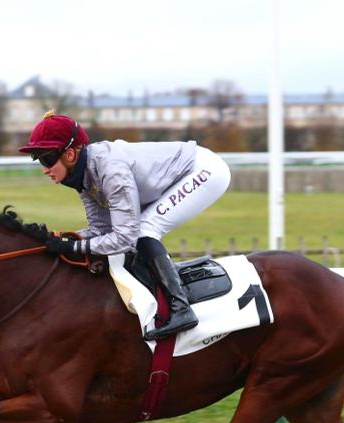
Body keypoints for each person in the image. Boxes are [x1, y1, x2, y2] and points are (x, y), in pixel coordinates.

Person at [18, 111, 231, 341]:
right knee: (139, 231)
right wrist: (61, 239)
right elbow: (100, 230)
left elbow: (125, 238)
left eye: (46, 159)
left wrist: (74, 247)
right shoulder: (84, 175)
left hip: (204, 170)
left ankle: (181, 309)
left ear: (70, 154)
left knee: (144, 230)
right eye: (38, 160)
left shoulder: (111, 171)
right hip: (185, 171)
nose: (44, 168)